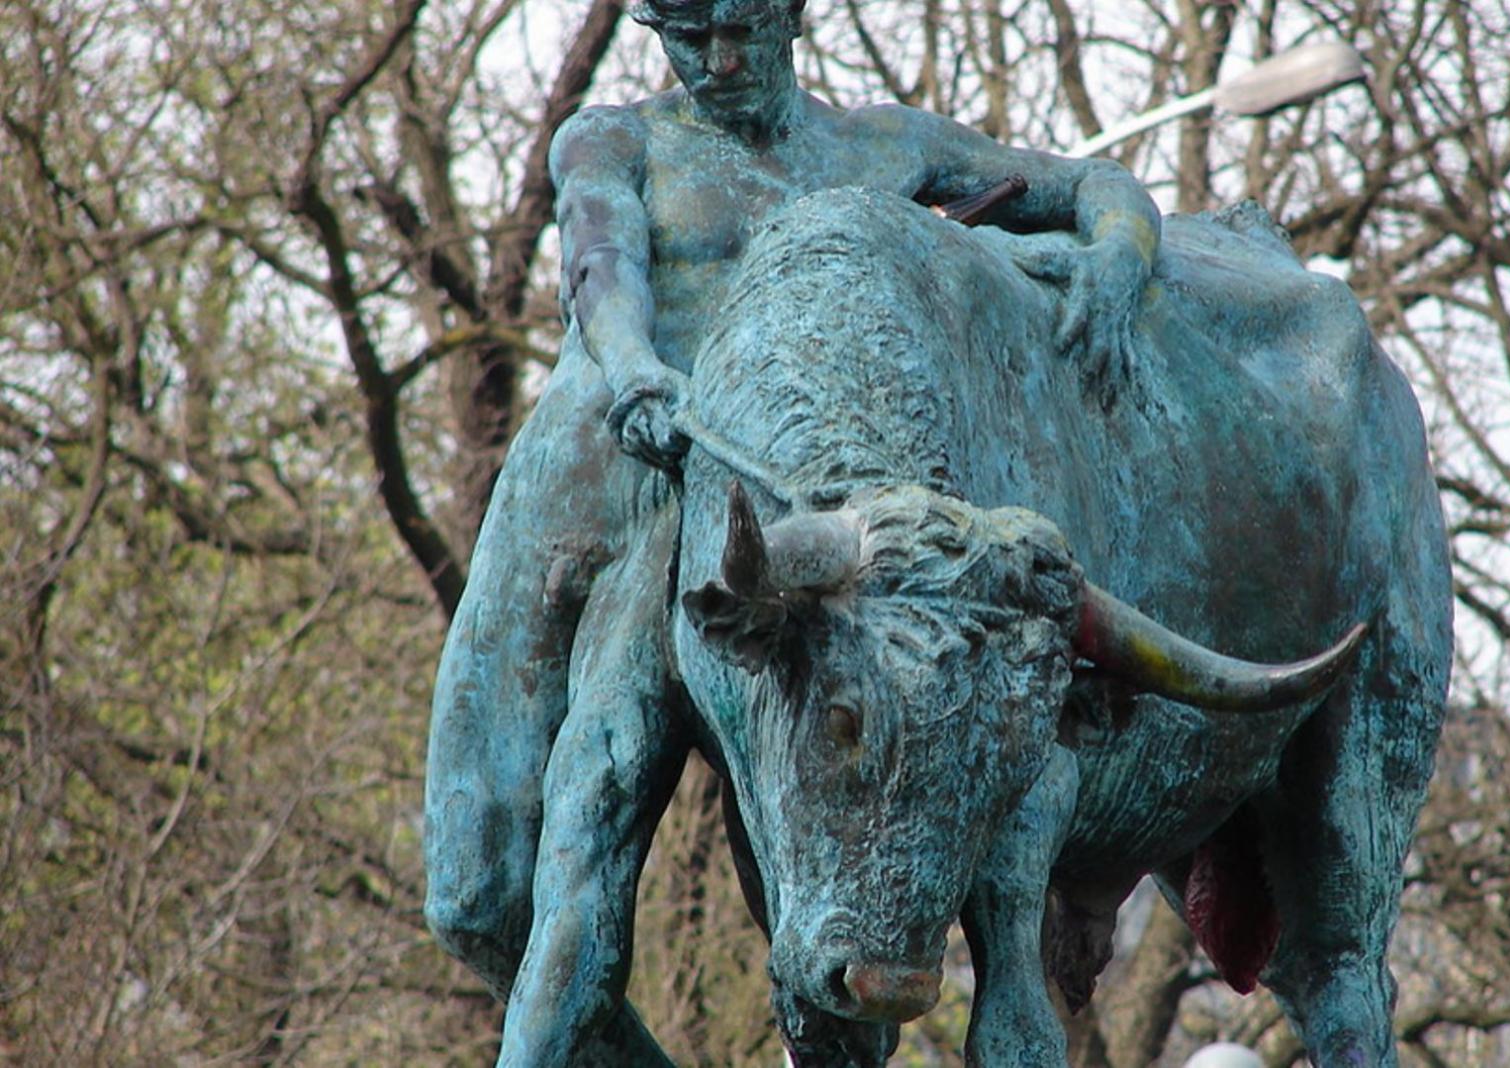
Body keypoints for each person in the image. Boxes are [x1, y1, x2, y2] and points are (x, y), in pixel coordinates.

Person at [421, 0, 1163, 1051]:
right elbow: (601, 261)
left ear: (794, 17)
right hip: (600, 493)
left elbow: (1096, 186)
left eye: (744, 29)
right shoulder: (616, 138)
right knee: (477, 899)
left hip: (783, 544)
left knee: (830, 954)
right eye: (686, 33)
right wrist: (631, 362)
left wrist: (1121, 256)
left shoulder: (882, 148)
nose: (718, 61)